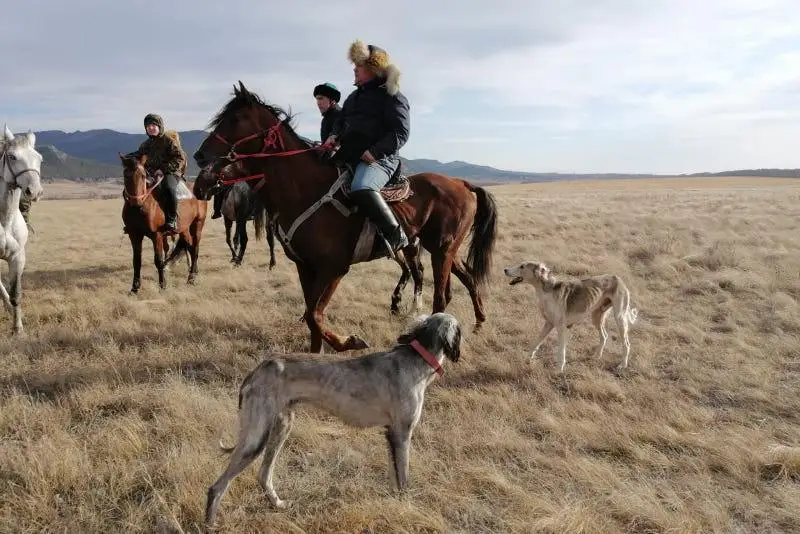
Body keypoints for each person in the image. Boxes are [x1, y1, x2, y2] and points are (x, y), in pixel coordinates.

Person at [323, 39, 410, 253]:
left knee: (362, 187)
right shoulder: (353, 97)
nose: (354, 69)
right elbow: (341, 121)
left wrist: (375, 152)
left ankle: (395, 235)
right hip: (349, 154)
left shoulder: (392, 97)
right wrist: (334, 135)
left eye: (359, 66)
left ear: (372, 68)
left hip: (381, 160)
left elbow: (400, 132)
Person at [128, 113, 186, 232]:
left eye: (153, 125)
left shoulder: (169, 141)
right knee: (135, 188)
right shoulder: (146, 144)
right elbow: (139, 154)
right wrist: (127, 157)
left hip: (171, 172)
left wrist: (163, 169)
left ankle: (172, 219)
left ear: (159, 126)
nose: (150, 128)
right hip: (152, 173)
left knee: (168, 188)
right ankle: (134, 221)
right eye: (148, 126)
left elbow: (180, 158)